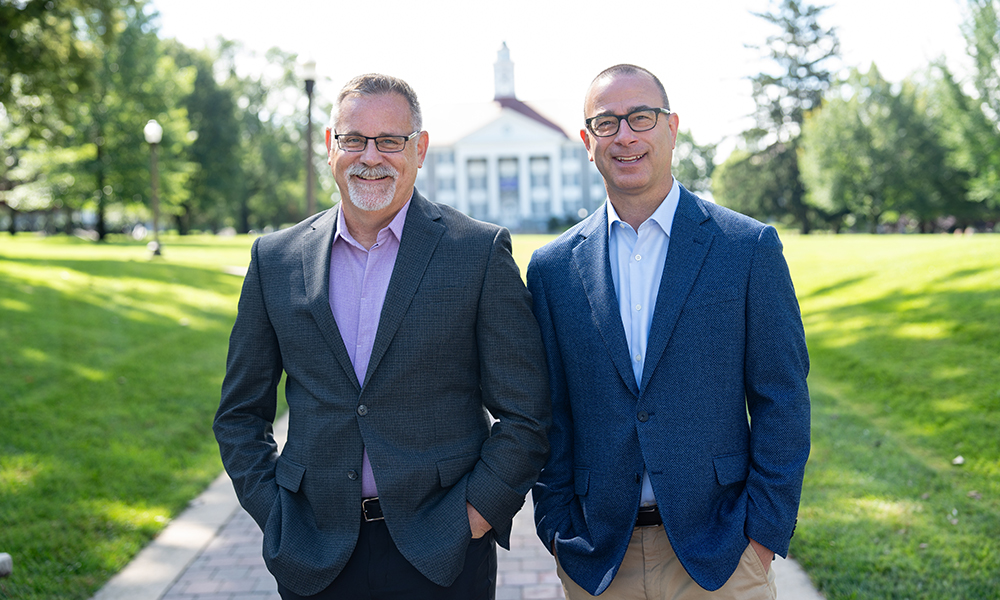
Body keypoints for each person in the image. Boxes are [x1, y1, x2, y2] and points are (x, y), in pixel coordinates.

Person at [214, 73, 550, 600]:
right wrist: (275, 512)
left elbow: (527, 413)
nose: (371, 156)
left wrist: (475, 516)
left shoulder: (477, 254)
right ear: (330, 146)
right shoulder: (275, 260)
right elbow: (239, 414)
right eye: (354, 139)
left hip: (442, 554)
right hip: (314, 551)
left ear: (420, 150)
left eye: (390, 141)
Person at [527, 64, 811, 599]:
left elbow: (783, 396)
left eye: (641, 117)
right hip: (598, 559)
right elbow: (549, 413)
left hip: (724, 554)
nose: (625, 136)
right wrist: (557, 526)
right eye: (606, 124)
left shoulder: (746, 249)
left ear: (672, 128)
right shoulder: (552, 269)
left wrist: (763, 534)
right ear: (588, 142)